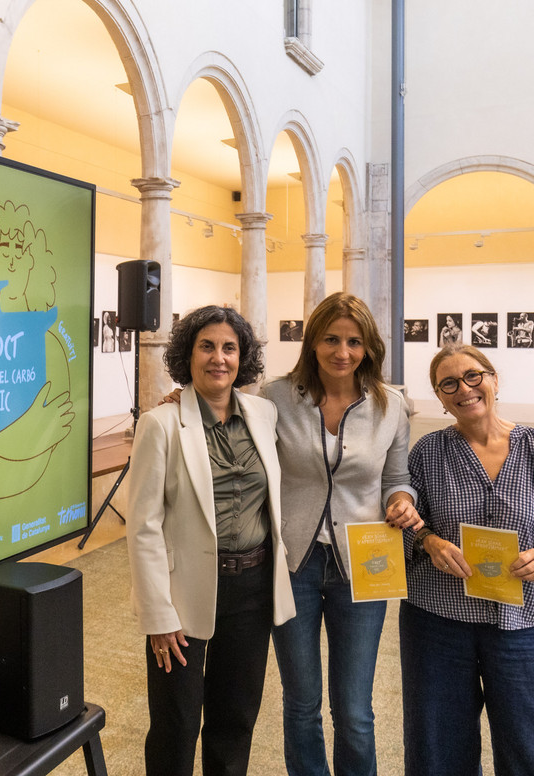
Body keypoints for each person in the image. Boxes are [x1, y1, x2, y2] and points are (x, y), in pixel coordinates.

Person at [400, 343, 534, 776]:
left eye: (474, 376)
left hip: (521, 623)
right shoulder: (428, 453)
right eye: (448, 383)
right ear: (439, 396)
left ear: (493, 379)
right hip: (437, 623)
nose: (464, 389)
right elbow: (406, 528)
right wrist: (429, 541)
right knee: (437, 750)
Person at [126, 305, 296, 776]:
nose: (218, 358)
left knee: (236, 717)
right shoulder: (160, 424)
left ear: (243, 358)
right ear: (188, 355)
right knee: (176, 722)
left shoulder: (264, 413)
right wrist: (157, 614)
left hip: (252, 587)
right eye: (207, 346)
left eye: (229, 348)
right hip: (183, 594)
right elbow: (142, 527)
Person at [261, 293, 422, 776]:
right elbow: (225, 421)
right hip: (294, 563)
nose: (342, 352)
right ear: (312, 343)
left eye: (354, 341)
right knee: (301, 702)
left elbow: (397, 477)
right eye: (331, 339)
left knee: (354, 711)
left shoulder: (390, 406)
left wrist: (402, 501)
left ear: (369, 347)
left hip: (366, 564)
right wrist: (177, 399)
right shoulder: (274, 397)